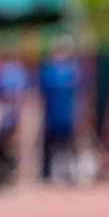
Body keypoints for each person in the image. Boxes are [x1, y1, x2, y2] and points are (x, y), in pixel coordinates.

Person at [39, 35, 83, 183]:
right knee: (52, 146)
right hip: (52, 117)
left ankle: (68, 174)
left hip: (67, 116)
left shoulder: (72, 69)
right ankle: (52, 174)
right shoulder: (49, 70)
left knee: (67, 146)